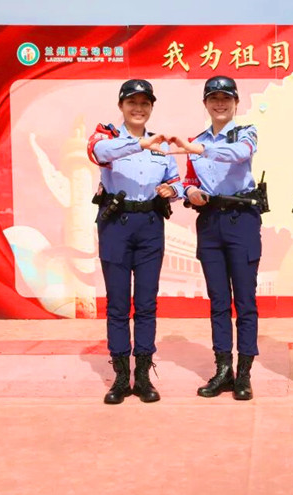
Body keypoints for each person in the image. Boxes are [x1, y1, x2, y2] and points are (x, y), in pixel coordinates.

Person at [87, 79, 183, 405]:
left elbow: (175, 181)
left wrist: (173, 190)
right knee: (117, 304)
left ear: (151, 107)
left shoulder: (161, 146)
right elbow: (98, 153)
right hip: (116, 225)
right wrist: (140, 144)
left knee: (146, 304)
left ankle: (142, 375)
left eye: (145, 103)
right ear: (121, 106)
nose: (138, 108)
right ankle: (119, 376)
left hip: (150, 225)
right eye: (132, 102)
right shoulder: (107, 137)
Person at [167, 75, 263, 401]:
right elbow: (189, 180)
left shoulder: (246, 132)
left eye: (226, 98)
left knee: (245, 301)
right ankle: (223, 369)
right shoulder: (195, 141)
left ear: (236, 102)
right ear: (206, 104)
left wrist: (197, 148)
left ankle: (244, 373)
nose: (220, 104)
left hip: (241, 220)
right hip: (209, 223)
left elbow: (238, 154)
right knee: (219, 301)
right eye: (214, 99)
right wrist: (190, 192)